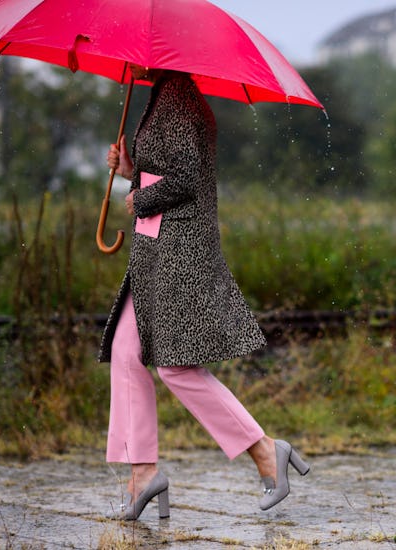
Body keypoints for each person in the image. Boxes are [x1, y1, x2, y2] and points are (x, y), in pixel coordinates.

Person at [99, 64, 308, 520]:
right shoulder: (163, 95)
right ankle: (143, 473)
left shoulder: (179, 101)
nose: (134, 60)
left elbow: (187, 179)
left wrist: (140, 197)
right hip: (154, 249)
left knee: (175, 368)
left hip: (178, 253)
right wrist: (131, 170)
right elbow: (163, 171)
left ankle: (266, 451)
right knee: (126, 350)